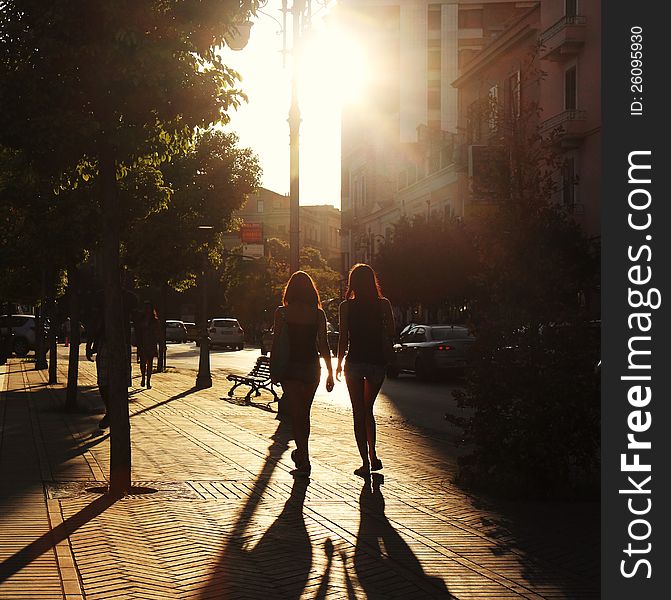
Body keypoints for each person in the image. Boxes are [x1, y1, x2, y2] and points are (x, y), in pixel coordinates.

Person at [271, 271, 335, 476]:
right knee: (304, 415)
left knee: (297, 416)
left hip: (290, 368)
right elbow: (324, 346)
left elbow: (276, 344)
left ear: (290, 290)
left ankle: (304, 459)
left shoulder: (281, 313)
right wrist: (330, 373)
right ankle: (302, 454)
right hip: (311, 368)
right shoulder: (318, 315)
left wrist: (274, 368)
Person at [336, 264, 395, 477]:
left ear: (353, 283)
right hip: (377, 362)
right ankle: (373, 454)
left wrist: (338, 364)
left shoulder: (346, 307)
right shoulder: (383, 305)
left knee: (358, 412)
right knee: (368, 409)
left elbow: (343, 338)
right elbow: (392, 331)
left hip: (354, 362)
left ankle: (364, 462)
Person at [85, 297, 110, 429]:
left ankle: (110, 412)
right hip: (118, 346)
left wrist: (89, 345)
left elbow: (94, 327)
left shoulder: (103, 304)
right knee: (108, 384)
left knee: (104, 382)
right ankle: (112, 412)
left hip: (106, 346)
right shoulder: (126, 298)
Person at [135, 301, 160, 389]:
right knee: (142, 363)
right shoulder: (141, 319)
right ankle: (143, 378)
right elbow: (138, 331)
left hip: (151, 343)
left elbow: (157, 333)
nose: (147, 310)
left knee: (150, 363)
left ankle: (148, 381)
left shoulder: (154, 320)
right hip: (142, 343)